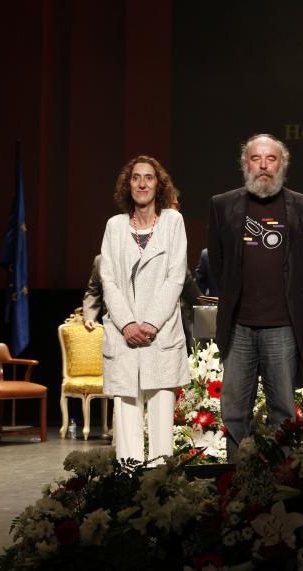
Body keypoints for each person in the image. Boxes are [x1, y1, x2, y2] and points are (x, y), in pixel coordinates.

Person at [207, 134, 303, 457]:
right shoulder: (222, 205)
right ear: (246, 164)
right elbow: (217, 263)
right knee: (234, 412)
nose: (263, 166)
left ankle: (280, 482)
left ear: (282, 165)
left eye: (271, 159)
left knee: (283, 412)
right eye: (256, 159)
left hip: (283, 326)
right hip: (239, 326)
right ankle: (236, 479)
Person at [99, 155, 190, 464]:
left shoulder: (173, 222)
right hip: (124, 338)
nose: (141, 183)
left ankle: (162, 493)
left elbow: (176, 276)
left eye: (148, 177)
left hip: (159, 335)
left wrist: (150, 323)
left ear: (158, 184)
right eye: (136, 177)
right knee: (126, 421)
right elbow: (108, 279)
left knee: (162, 422)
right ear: (128, 185)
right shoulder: (114, 226)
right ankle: (128, 488)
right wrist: (127, 324)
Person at [81, 254, 106, 331]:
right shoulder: (100, 260)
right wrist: (89, 317)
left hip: (139, 326)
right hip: (109, 326)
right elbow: (93, 292)